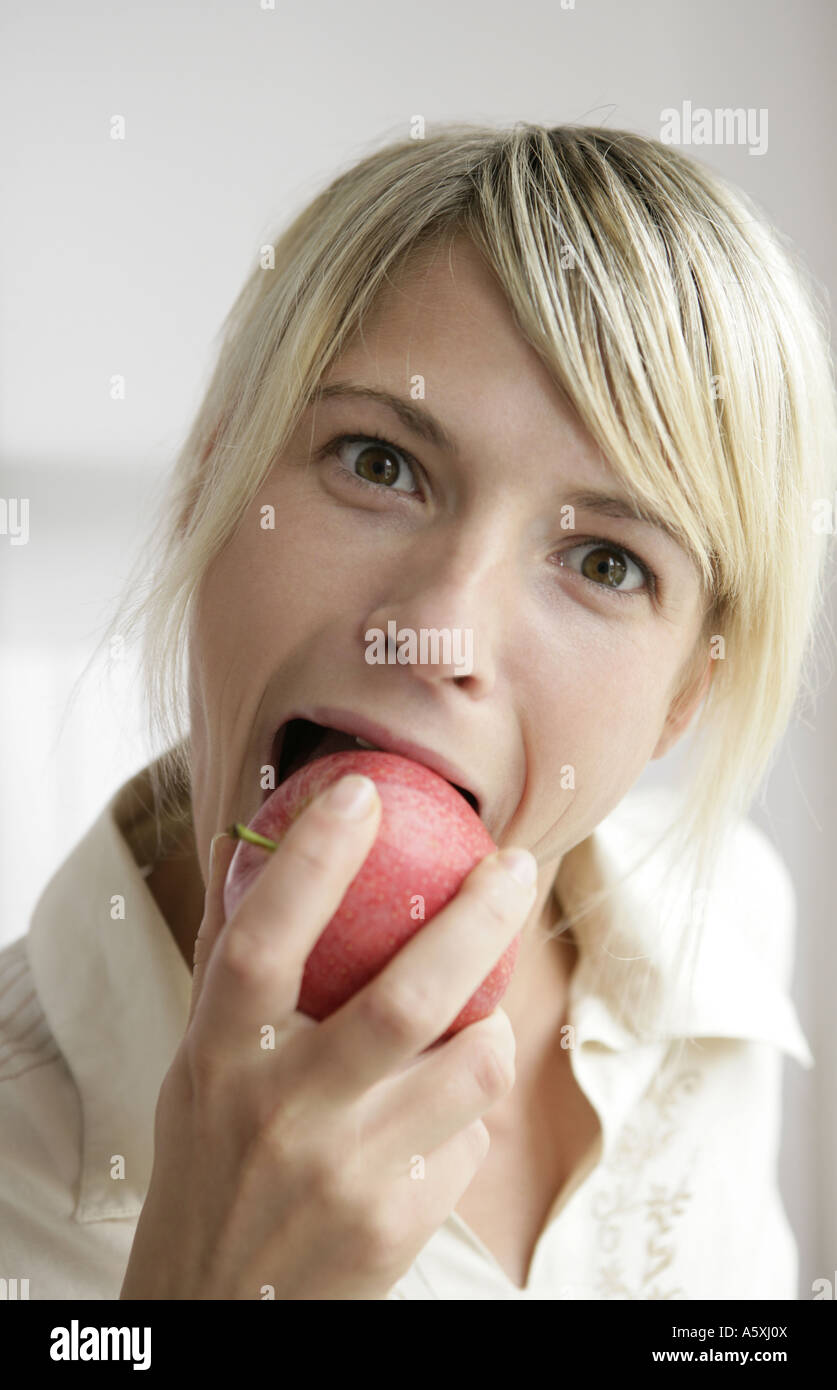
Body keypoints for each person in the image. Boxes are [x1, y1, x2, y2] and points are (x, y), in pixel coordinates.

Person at [1, 123, 833, 1301]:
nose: (438, 628)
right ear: (209, 484)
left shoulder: (731, 924)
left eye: (605, 561)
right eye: (379, 463)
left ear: (684, 697)